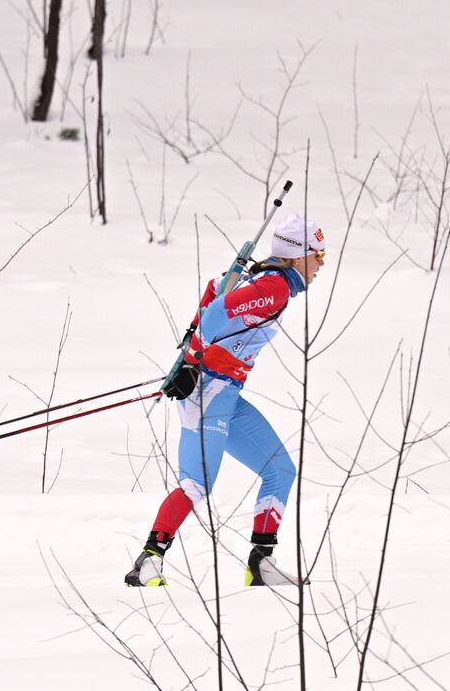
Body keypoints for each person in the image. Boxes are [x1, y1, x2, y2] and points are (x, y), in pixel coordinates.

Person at [125, 213, 326, 589]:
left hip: (226, 392)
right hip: (208, 389)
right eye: (319, 256)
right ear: (298, 255)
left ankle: (261, 563)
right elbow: (216, 312)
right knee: (196, 484)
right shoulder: (276, 287)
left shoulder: (262, 278)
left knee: (279, 470)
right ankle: (149, 561)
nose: (320, 266)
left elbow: (214, 288)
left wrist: (191, 348)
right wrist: (191, 358)